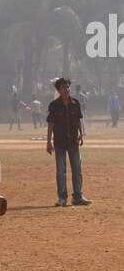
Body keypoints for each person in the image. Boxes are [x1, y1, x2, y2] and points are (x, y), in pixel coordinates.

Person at [46, 77, 91, 207]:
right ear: (59, 90)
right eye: (64, 87)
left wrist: (81, 134)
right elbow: (50, 124)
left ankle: (78, 196)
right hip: (60, 142)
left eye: (68, 87)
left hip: (73, 141)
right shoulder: (54, 105)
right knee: (61, 172)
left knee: (77, 169)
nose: (67, 89)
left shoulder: (75, 103)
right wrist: (48, 142)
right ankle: (62, 198)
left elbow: (78, 120)